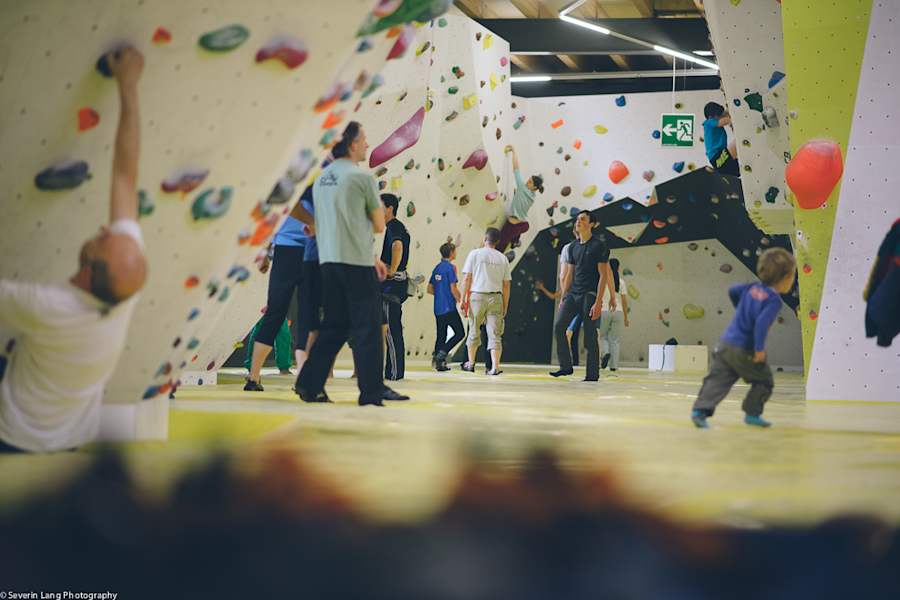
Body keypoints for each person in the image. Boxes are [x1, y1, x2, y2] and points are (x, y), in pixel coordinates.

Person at [0, 47, 147, 452]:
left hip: (11, 435)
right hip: (70, 439)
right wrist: (129, 85)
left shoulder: (48, 305)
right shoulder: (120, 291)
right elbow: (124, 174)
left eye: (102, 239)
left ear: (87, 271)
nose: (104, 229)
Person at [293, 121, 408, 406]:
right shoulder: (362, 179)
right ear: (352, 143)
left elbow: (337, 224)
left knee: (335, 325)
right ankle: (371, 392)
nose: (368, 145)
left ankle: (308, 384)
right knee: (368, 327)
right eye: (365, 139)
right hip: (356, 264)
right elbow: (379, 225)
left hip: (329, 262)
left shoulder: (322, 179)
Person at [691, 247, 796, 429]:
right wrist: (759, 349)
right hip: (745, 349)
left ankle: (699, 411)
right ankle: (752, 414)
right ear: (785, 277)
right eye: (793, 276)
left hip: (725, 344)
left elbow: (733, 289)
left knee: (718, 379)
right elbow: (761, 325)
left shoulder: (751, 288)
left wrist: (741, 308)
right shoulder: (773, 300)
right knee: (764, 381)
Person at [243, 209, 308, 391]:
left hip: (284, 249)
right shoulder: (315, 185)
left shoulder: (292, 185)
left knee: (276, 313)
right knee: (304, 315)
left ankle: (253, 378)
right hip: (308, 248)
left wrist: (265, 249)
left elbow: (275, 215)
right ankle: (302, 380)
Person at [550, 210, 614, 381]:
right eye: (577, 219)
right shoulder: (572, 247)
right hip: (573, 294)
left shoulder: (599, 246)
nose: (578, 222)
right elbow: (569, 274)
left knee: (589, 336)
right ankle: (566, 367)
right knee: (559, 326)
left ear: (591, 224)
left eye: (583, 219)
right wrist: (563, 297)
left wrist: (599, 302)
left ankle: (592, 375)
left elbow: (603, 275)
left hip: (590, 294)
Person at [459, 228, 511, 376]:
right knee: (494, 334)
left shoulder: (474, 254)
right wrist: (505, 305)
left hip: (477, 296)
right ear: (498, 241)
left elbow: (467, 278)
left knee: (474, 330)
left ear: (484, 239)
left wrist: (463, 299)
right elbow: (506, 285)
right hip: (496, 297)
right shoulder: (503, 258)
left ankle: (471, 363)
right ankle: (494, 367)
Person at [379, 193, 410, 381]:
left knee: (391, 330)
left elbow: (397, 246)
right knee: (393, 329)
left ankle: (394, 373)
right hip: (396, 285)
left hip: (391, 286)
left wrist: (391, 270)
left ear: (389, 208)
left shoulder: (393, 226)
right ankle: (393, 371)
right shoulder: (396, 226)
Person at [498, 144, 543, 253]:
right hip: (522, 224)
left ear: (535, 188)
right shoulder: (533, 197)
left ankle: (514, 241)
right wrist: (516, 195)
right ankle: (515, 241)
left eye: (530, 181)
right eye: (529, 179)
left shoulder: (522, 188)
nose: (528, 181)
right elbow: (522, 201)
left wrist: (514, 151)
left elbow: (516, 168)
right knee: (519, 231)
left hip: (513, 225)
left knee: (500, 244)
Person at [428, 242, 464, 372]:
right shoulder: (450, 268)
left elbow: (429, 289)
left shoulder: (437, 268)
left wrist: (440, 294)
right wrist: (460, 301)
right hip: (449, 307)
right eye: (455, 251)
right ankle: (441, 354)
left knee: (441, 335)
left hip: (438, 308)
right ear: (451, 253)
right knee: (460, 333)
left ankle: (439, 363)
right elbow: (453, 288)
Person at [597, 258, 630, 375]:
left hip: (604, 310)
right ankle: (614, 366)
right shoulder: (621, 282)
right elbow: (625, 301)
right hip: (618, 312)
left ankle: (605, 353)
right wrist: (626, 317)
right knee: (615, 340)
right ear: (619, 267)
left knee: (602, 336)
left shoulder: (602, 280)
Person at [703, 102, 740, 177]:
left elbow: (723, 117)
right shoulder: (708, 123)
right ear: (711, 116)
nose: (721, 116)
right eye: (719, 115)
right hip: (717, 159)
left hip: (718, 160)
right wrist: (733, 111)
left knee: (742, 167)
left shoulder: (712, 121)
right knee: (739, 142)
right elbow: (725, 120)